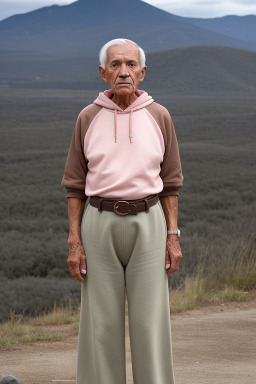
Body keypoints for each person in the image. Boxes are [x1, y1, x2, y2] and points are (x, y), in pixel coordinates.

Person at [61, 38, 184, 384]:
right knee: (100, 322)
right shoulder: (87, 117)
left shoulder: (160, 116)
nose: (123, 72)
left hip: (150, 222)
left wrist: (172, 236)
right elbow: (74, 185)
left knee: (150, 321)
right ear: (103, 73)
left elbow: (171, 183)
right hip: (98, 224)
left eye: (131, 65)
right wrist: (75, 241)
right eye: (115, 65)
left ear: (143, 73)